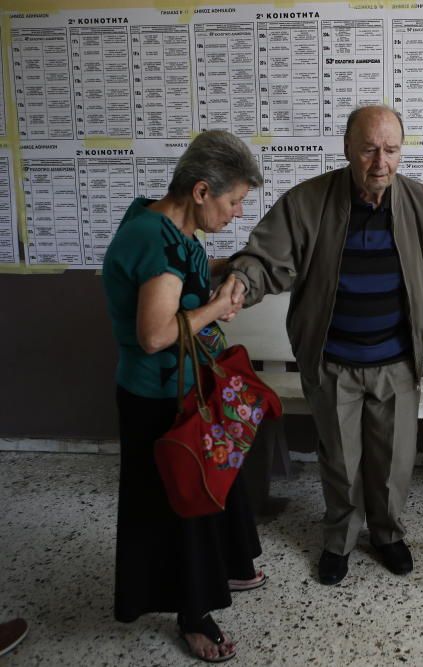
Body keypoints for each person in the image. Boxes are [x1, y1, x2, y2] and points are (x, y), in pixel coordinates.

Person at [228, 105, 423, 586]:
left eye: (390, 149)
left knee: (393, 463)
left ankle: (386, 534)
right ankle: (339, 539)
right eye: (368, 149)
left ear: (401, 152)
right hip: (333, 361)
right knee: (341, 463)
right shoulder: (307, 203)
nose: (379, 161)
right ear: (347, 148)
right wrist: (241, 283)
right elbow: (265, 259)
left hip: (397, 362)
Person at [102, 130, 266, 663]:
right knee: (186, 503)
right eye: (233, 201)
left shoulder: (162, 223)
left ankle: (228, 568)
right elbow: (154, 334)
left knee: (215, 483)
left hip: (184, 389)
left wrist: (226, 274)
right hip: (159, 399)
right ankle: (194, 616)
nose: (236, 213)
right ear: (200, 191)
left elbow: (179, 280)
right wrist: (217, 310)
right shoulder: (156, 240)